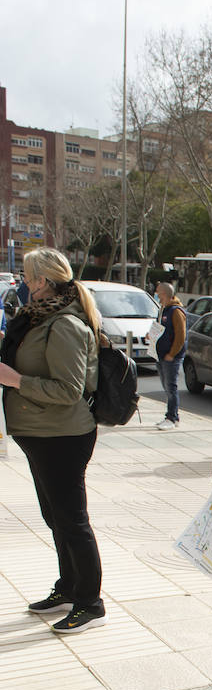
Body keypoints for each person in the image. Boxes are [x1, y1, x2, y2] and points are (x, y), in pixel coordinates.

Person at [0, 248, 107, 634]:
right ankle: (68, 587)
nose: (23, 283)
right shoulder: (36, 318)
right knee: (56, 518)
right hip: (41, 432)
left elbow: (67, 391)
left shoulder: (65, 325)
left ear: (43, 281)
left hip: (63, 434)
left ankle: (90, 603)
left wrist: (13, 379)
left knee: (72, 520)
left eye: (28, 277)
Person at [154, 281, 186, 430]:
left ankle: (172, 417)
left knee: (170, 387)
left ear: (165, 293)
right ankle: (172, 415)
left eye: (158, 292)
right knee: (166, 387)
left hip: (170, 356)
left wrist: (172, 354)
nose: (156, 294)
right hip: (160, 354)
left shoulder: (175, 311)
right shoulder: (163, 309)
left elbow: (181, 336)